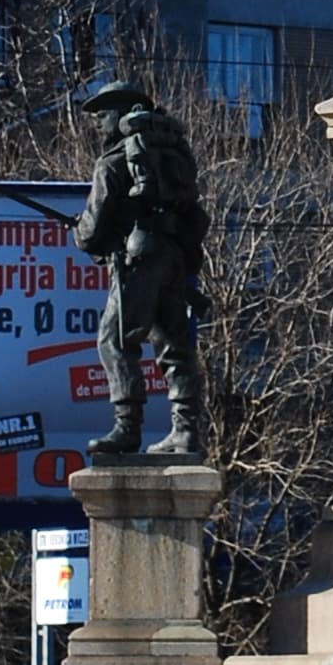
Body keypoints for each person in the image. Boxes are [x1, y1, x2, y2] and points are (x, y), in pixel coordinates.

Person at [72, 76, 208, 461]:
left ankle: (127, 428)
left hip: (139, 257)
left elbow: (94, 230)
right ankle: (185, 432)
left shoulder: (114, 162)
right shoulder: (171, 156)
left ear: (119, 114)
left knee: (114, 340)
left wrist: (78, 234)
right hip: (174, 258)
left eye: (102, 115)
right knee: (174, 347)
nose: (98, 124)